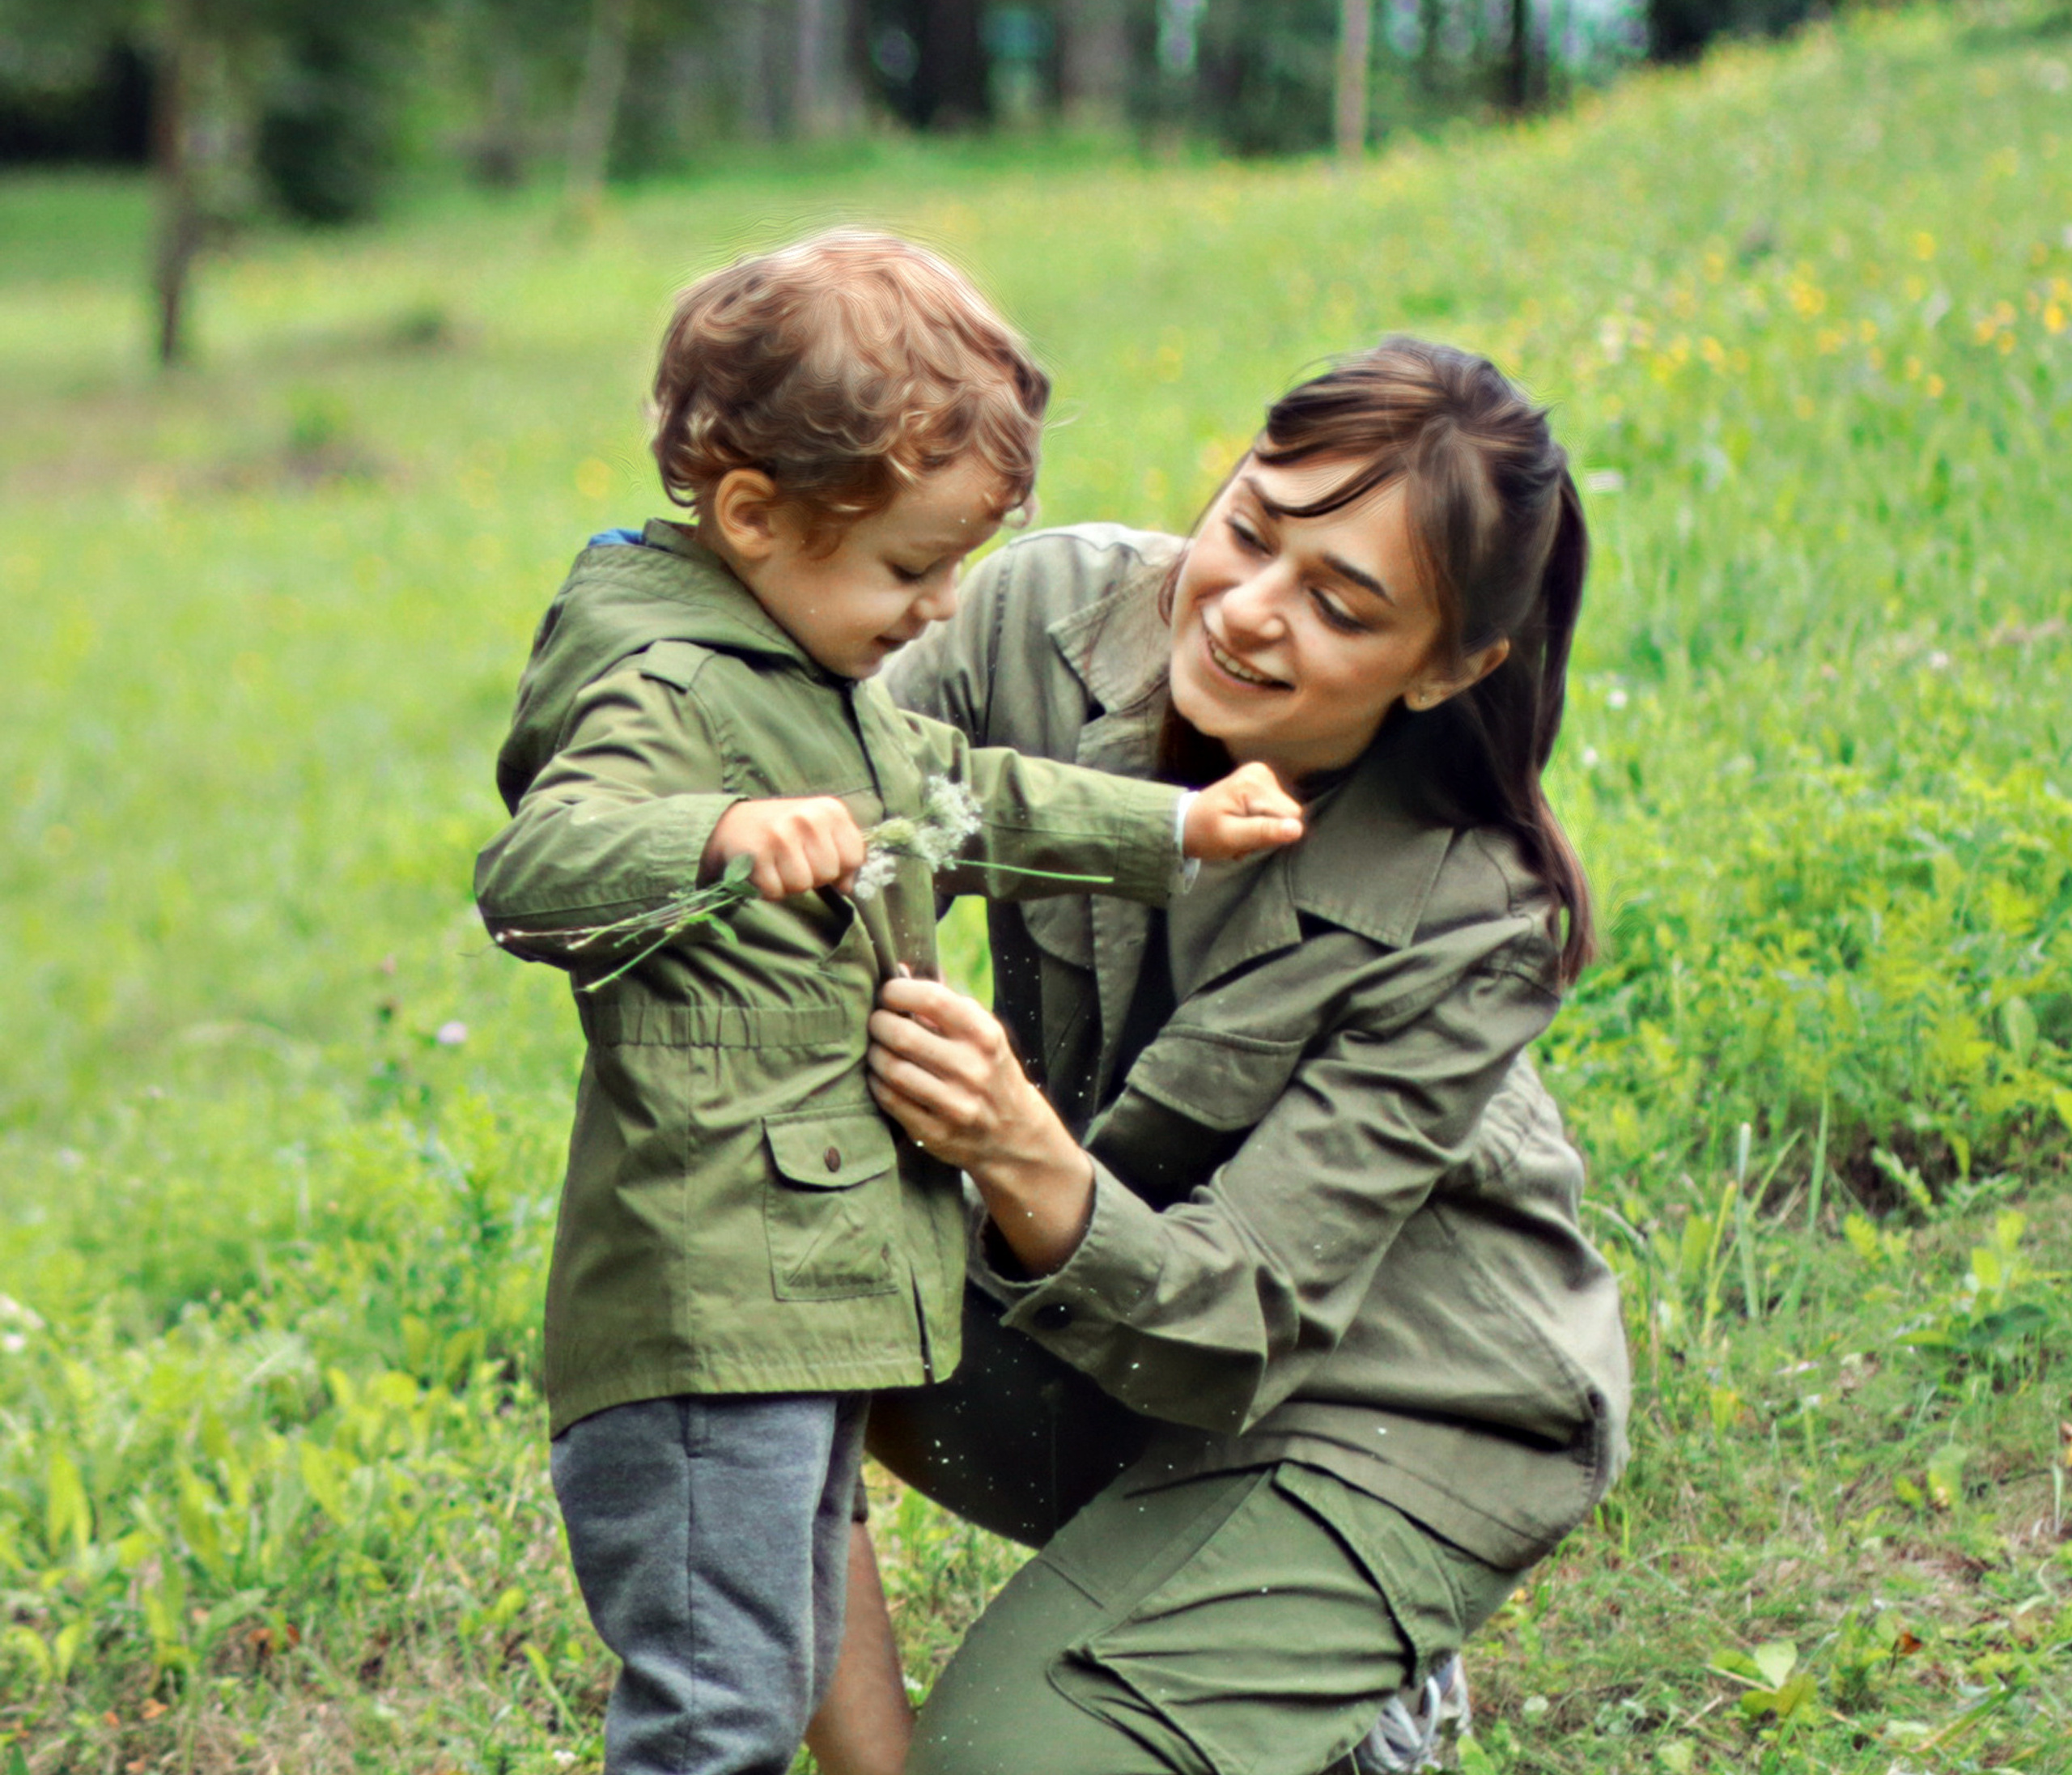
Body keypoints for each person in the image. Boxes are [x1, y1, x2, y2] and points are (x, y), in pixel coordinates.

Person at [473, 231, 1304, 1775]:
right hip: (708, 1304)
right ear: (751, 514)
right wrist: (714, 834)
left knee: (772, 1668)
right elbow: (535, 865)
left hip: (799, 1291)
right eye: (911, 569)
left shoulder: (810, 680)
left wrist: (1173, 828)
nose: (939, 612)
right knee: (714, 1713)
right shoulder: (662, 686)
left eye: (958, 570)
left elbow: (966, 802)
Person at [809, 338, 1633, 1775]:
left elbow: (1241, 1314)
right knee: (741, 1238)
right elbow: (788, 791)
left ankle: (1355, 1665)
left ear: (1450, 667)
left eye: (1341, 606)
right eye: (1251, 527)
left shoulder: (1472, 910)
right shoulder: (1037, 614)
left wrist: (1011, 1143)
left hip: (1392, 1407)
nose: (1248, 611)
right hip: (1102, 1344)